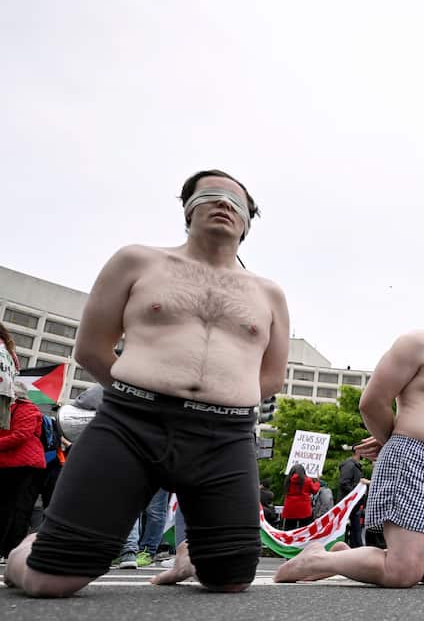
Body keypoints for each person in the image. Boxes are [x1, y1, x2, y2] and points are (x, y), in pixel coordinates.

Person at [5, 169, 290, 596]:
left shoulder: (269, 294)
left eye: (237, 201)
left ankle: (187, 556)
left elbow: (269, 377)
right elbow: (92, 349)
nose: (224, 203)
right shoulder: (138, 262)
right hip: (132, 424)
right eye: (210, 194)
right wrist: (140, 396)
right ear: (187, 209)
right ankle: (28, 551)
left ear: (248, 222)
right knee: (52, 580)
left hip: (224, 436)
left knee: (230, 580)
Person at [273, 294, 424, 587]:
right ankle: (317, 558)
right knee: (402, 572)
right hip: (414, 458)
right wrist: (394, 440)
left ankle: (348, 558)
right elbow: (373, 401)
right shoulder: (416, 344)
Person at [0, 326, 46, 561]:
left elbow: (21, 435)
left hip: (26, 466)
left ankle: (11, 550)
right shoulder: (7, 410)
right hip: (9, 464)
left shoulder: (27, 409)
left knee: (19, 509)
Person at [337, 449, 367, 547]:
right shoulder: (350, 465)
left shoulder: (355, 466)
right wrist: (357, 493)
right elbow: (344, 482)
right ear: (358, 451)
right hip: (349, 505)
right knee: (352, 531)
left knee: (356, 531)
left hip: (354, 505)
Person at [281, 464, 320, 529]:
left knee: (289, 529)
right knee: (305, 529)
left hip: (289, 508)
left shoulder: (287, 480)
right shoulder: (307, 480)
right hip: (304, 508)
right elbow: (315, 490)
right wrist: (317, 482)